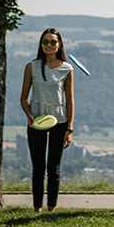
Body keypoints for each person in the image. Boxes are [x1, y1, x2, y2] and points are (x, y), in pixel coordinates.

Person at [19, 28, 76, 213]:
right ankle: (37, 208)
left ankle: (51, 208)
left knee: (54, 168)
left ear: (59, 44)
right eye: (45, 42)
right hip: (37, 121)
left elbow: (69, 100)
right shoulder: (32, 67)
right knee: (38, 168)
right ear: (41, 45)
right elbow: (23, 98)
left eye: (53, 42)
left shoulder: (67, 69)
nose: (49, 45)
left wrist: (69, 128)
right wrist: (29, 115)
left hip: (59, 121)